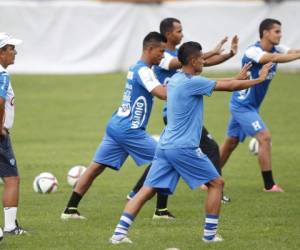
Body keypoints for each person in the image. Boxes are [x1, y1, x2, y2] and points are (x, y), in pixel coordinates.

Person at [110, 41, 272, 244]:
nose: (204, 61)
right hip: (183, 148)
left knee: (147, 190)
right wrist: (259, 80)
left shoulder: (177, 79)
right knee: (217, 183)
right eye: (202, 59)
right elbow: (228, 87)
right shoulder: (192, 82)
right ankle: (210, 235)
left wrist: (235, 78)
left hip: (165, 147)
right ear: (194, 61)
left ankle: (118, 233)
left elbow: (214, 81)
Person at [127, 17, 238, 219]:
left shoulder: (180, 57)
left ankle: (148, 200)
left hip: (178, 110)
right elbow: (189, 60)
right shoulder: (163, 57)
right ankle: (214, 186)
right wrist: (211, 51)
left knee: (166, 158)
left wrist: (228, 54)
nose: (182, 34)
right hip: (176, 112)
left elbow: (204, 61)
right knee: (189, 152)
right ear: (168, 34)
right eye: (179, 31)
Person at [61, 31, 167, 220]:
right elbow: (162, 94)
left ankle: (70, 210)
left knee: (95, 168)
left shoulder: (135, 68)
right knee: (166, 158)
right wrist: (185, 87)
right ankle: (160, 211)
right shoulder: (143, 70)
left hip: (117, 125)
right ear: (150, 49)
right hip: (130, 130)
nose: (163, 55)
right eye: (161, 51)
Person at [220, 18, 300, 192]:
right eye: (277, 31)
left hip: (251, 106)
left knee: (231, 142)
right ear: (265, 33)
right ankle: (269, 185)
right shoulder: (253, 51)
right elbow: (274, 58)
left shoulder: (277, 48)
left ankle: (207, 179)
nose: (281, 34)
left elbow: (291, 51)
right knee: (264, 137)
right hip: (242, 106)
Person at [0, 33, 27, 235]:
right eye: (10, 48)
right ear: (1, 53)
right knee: (12, 178)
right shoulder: (2, 75)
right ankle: (10, 227)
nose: (14, 52)